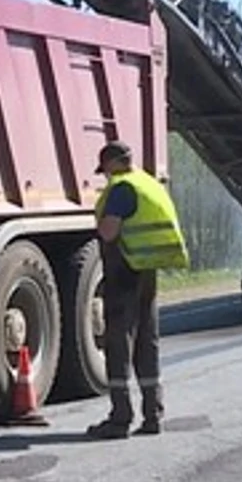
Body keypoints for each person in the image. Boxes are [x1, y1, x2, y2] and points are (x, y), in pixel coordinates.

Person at [86, 140, 190, 440]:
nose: (105, 175)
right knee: (148, 340)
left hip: (124, 270)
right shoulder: (149, 183)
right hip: (148, 269)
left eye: (104, 169)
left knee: (119, 341)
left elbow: (109, 231)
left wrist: (99, 222)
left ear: (112, 163)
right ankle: (153, 414)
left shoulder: (121, 188)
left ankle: (120, 419)